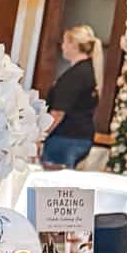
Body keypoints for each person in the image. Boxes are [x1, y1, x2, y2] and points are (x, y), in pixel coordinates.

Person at [42, 26, 101, 169]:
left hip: (65, 138)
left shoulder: (75, 75)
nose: (62, 47)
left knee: (53, 182)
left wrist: (41, 135)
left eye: (64, 42)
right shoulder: (91, 71)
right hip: (82, 137)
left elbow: (58, 113)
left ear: (74, 45)